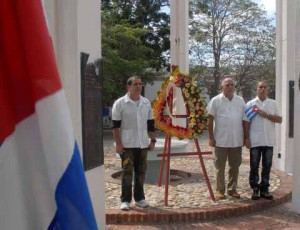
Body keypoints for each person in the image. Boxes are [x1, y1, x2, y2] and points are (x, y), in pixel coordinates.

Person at [112, 76, 156, 211]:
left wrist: (152, 140)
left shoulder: (146, 102)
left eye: (140, 84)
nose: (138, 86)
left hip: (142, 144)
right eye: (135, 84)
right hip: (127, 145)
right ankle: (125, 200)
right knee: (127, 172)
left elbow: (150, 124)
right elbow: (115, 126)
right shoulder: (120, 103)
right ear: (128, 87)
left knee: (141, 172)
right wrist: (118, 144)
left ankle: (139, 198)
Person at [206, 78, 248, 200]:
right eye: (227, 84)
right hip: (221, 140)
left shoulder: (240, 101)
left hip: (236, 139)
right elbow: (209, 120)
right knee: (220, 166)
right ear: (222, 87)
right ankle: (220, 190)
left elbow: (245, 120)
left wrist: (246, 137)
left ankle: (232, 189)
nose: (230, 86)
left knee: (235, 166)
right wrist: (210, 137)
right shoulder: (215, 100)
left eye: (232, 85)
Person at [244, 81, 282, 200]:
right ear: (256, 89)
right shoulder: (250, 104)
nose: (262, 89)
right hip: (255, 140)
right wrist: (246, 139)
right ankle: (255, 189)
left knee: (267, 166)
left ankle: (264, 189)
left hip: (268, 140)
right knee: (254, 166)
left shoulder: (273, 103)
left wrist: (267, 116)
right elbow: (246, 123)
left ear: (267, 90)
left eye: (264, 87)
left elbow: (279, 119)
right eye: (260, 87)